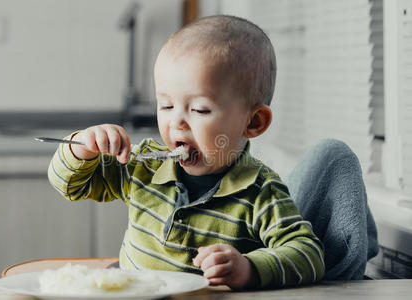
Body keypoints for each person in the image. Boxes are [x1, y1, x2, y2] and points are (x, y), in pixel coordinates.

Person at [48, 15, 325, 289]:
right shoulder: (143, 167)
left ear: (253, 122)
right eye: (166, 106)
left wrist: (249, 268)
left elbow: (308, 253)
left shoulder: (261, 191)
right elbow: (69, 185)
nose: (177, 122)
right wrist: (83, 147)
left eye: (199, 110)